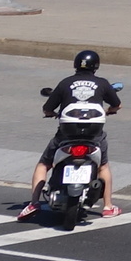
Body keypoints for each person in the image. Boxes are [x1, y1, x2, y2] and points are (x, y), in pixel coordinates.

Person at [20, 49, 121, 219]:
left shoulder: (66, 83)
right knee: (103, 166)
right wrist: (110, 111)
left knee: (44, 164)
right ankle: (108, 207)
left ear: (75, 64)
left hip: (67, 135)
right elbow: (117, 104)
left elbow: (47, 108)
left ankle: (34, 203)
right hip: (94, 136)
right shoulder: (102, 83)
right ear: (96, 66)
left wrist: (51, 113)